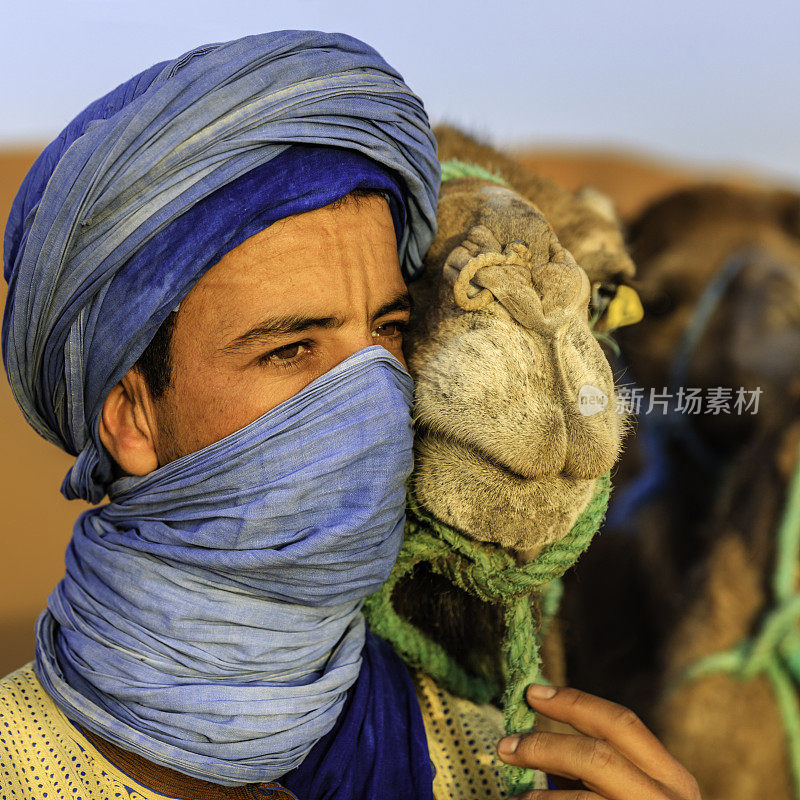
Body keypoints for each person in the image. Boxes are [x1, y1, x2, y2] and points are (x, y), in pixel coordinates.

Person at [0, 30, 700, 800]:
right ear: (129, 415)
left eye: (387, 334)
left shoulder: (496, 768)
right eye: (291, 349)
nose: (371, 397)